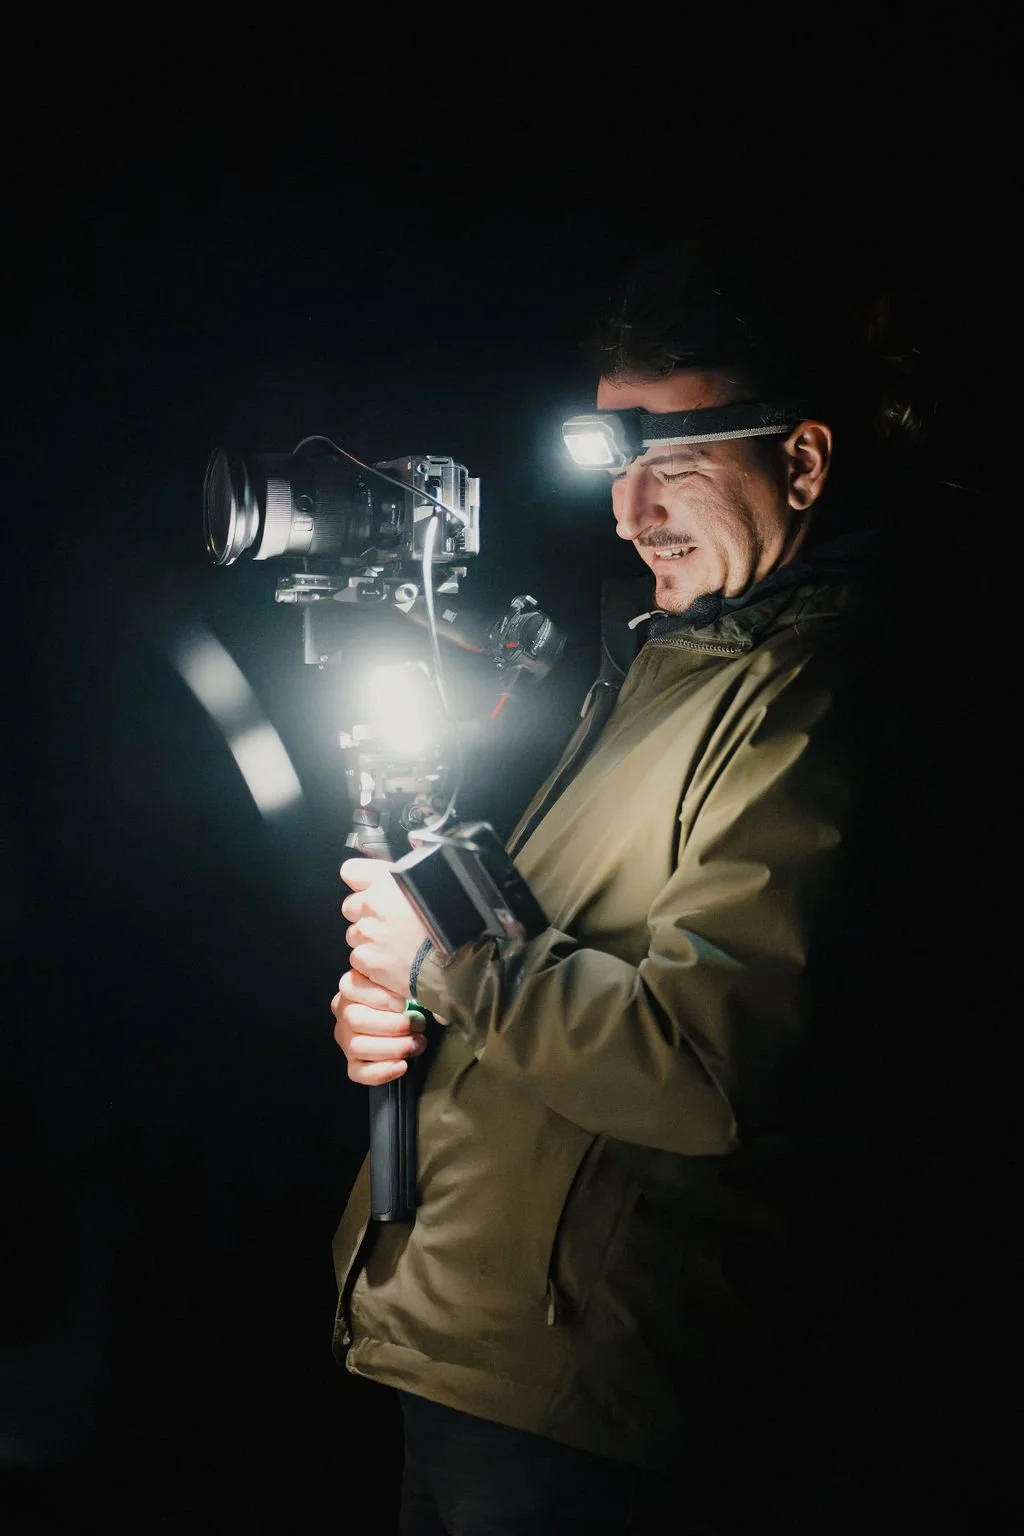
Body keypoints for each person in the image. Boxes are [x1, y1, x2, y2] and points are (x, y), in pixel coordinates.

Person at [328, 228, 939, 1534]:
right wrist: (411, 1011)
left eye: (671, 454)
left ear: (806, 457)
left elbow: (702, 1061)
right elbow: (545, 973)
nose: (630, 506)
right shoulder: (671, 660)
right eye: (617, 458)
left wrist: (448, 966)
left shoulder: (815, 708)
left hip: (584, 1397)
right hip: (463, 1346)